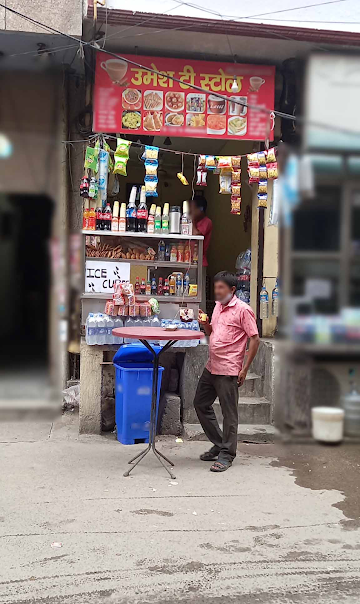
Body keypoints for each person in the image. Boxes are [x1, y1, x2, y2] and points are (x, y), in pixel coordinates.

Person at [194, 271, 260, 472]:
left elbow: (255, 338)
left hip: (229, 368)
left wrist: (245, 369)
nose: (217, 291)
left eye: (221, 287)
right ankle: (220, 443)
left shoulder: (243, 310)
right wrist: (205, 324)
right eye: (216, 287)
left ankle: (227, 454)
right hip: (212, 365)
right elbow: (212, 333)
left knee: (229, 413)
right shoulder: (217, 307)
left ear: (232, 289)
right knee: (200, 403)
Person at [189, 195, 212, 306]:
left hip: (199, 263)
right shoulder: (193, 221)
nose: (190, 211)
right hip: (188, 261)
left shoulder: (206, 222)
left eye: (192, 209)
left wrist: (192, 220)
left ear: (201, 209)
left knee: (198, 294)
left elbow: (196, 235)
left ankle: (200, 319)